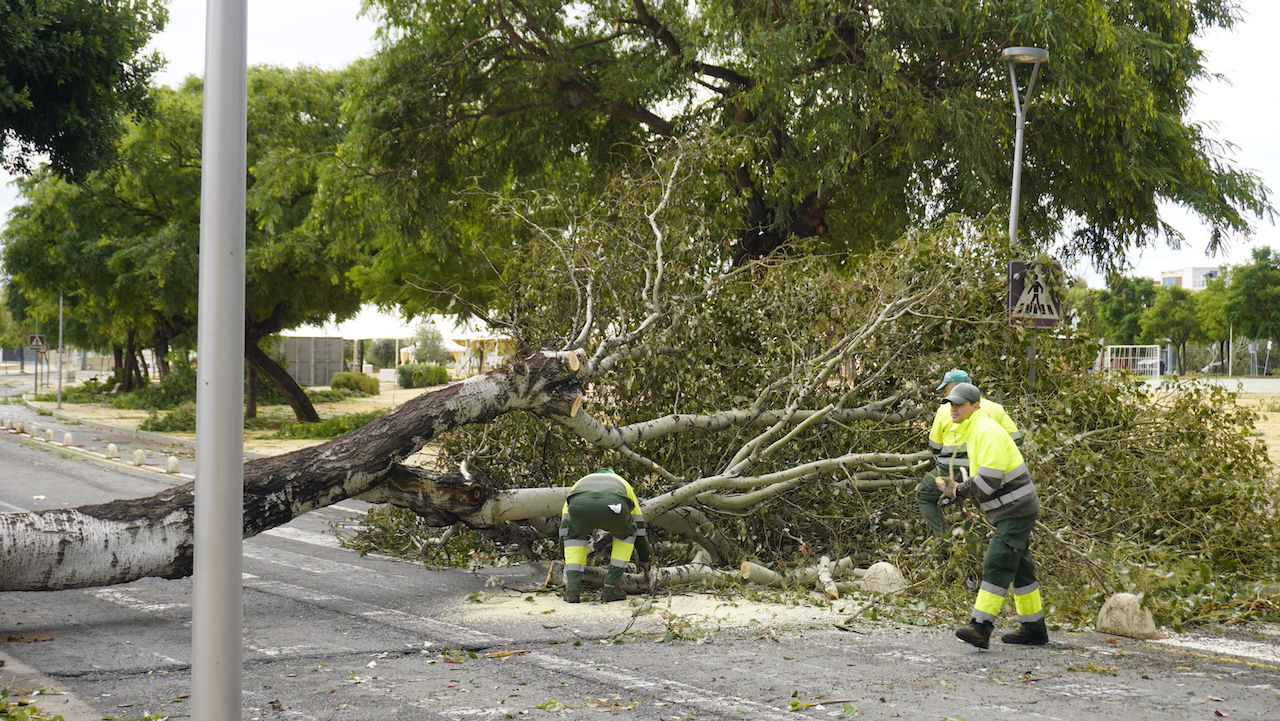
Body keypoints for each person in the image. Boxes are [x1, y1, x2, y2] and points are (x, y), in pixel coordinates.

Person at [936, 382, 1047, 649]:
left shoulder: (985, 431)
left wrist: (957, 491)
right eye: (951, 403)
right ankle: (1033, 628)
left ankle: (980, 627)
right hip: (1014, 508)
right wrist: (960, 490)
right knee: (1021, 569)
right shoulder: (975, 430)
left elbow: (987, 483)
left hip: (1016, 510)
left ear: (976, 406)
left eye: (960, 404)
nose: (954, 409)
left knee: (997, 561)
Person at [918, 369, 1023, 539]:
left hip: (951, 471)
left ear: (955, 389)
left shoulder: (945, 410)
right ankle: (976, 546)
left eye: (946, 390)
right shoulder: (995, 408)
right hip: (985, 472)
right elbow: (1016, 440)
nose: (945, 395)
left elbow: (935, 446)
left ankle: (944, 540)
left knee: (923, 494)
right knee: (975, 514)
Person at [559, 468, 652, 603]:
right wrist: (645, 561)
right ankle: (611, 588)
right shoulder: (622, 483)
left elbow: (564, 531)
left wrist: (564, 559)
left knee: (574, 537)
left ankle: (572, 590)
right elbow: (639, 529)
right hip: (614, 507)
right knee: (626, 533)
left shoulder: (580, 483)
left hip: (579, 505)